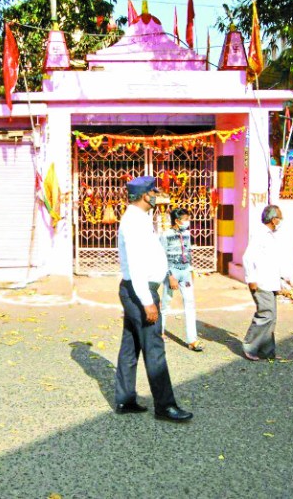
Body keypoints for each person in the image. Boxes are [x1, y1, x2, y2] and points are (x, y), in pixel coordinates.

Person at [115, 176, 192, 422]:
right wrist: (148, 301)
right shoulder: (134, 223)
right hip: (141, 292)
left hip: (135, 290)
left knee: (130, 346)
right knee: (154, 348)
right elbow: (136, 265)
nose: (157, 194)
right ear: (144, 195)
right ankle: (165, 406)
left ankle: (125, 399)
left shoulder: (139, 219)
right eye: (153, 191)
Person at [242, 205, 292, 361]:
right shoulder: (260, 234)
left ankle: (267, 351)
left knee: (272, 317)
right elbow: (248, 258)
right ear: (273, 219)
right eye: (279, 217)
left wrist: (282, 280)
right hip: (261, 281)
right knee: (266, 315)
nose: (281, 220)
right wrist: (251, 279)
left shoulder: (274, 235)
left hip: (271, 281)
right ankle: (250, 346)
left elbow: (274, 260)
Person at [160, 208, 203, 351]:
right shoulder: (165, 235)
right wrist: (170, 276)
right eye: (185, 219)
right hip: (172, 273)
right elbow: (162, 256)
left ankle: (192, 340)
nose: (187, 222)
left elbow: (188, 251)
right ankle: (159, 332)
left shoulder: (187, 234)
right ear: (177, 221)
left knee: (190, 303)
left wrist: (191, 270)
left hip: (185, 272)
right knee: (166, 303)